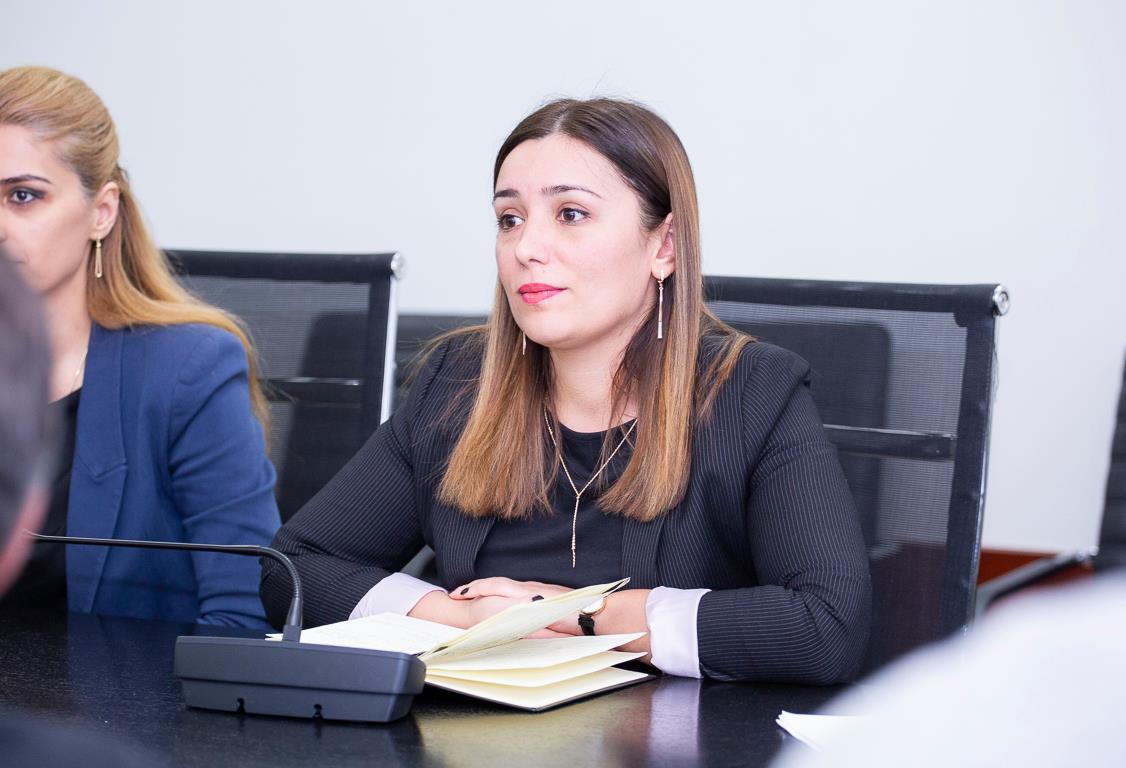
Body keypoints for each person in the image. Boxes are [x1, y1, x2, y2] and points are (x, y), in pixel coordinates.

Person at [262, 97, 871, 681]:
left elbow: (826, 627)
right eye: (510, 219)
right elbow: (295, 568)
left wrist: (582, 614)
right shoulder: (456, 383)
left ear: (664, 246)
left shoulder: (752, 393)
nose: (526, 249)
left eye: (570, 214)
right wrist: (460, 619)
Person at [0, 66, 279, 627]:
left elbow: (243, 617)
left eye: (23, 196)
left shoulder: (189, 370)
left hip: (119, 684)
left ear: (101, 213)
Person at [0, 250, 166, 767]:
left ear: (102, 214)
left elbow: (247, 592)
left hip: (107, 702)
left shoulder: (176, 366)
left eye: (22, 205)